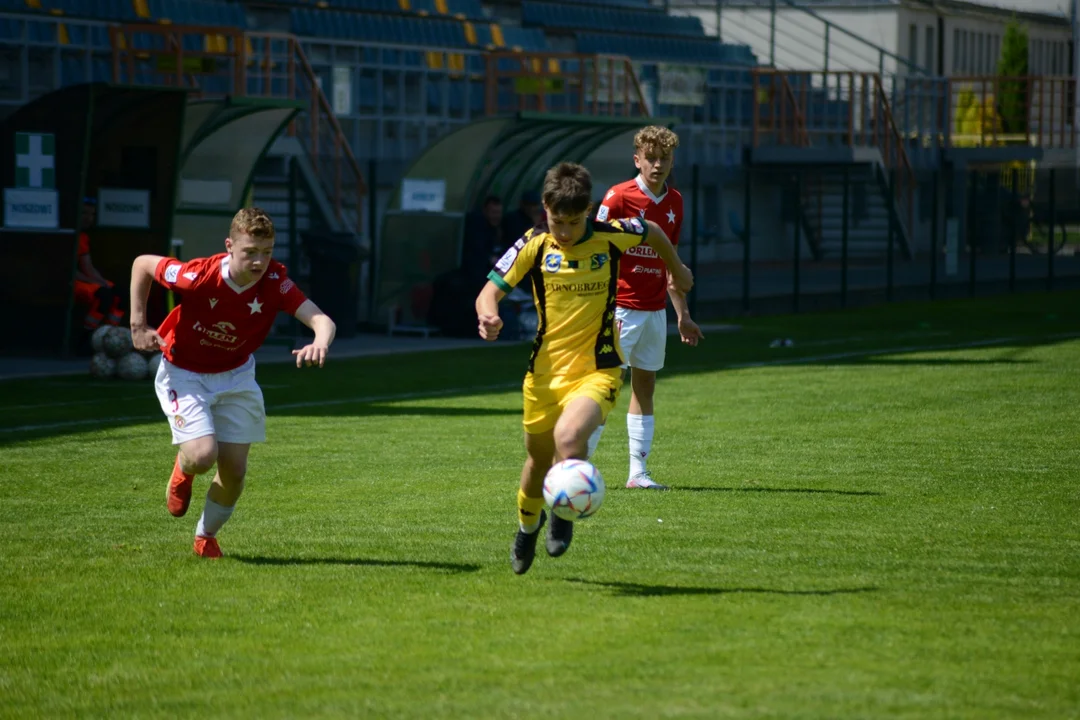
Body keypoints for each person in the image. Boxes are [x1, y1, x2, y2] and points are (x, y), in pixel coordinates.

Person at [475, 162, 693, 575]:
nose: (565, 232)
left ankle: (563, 513)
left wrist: (677, 270)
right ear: (545, 209)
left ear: (588, 211)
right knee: (538, 462)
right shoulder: (533, 244)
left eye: (574, 223)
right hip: (543, 375)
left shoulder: (612, 235)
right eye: (558, 222)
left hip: (599, 368)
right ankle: (527, 529)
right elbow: (488, 293)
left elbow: (656, 233)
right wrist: (489, 317)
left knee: (570, 437)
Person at [128, 207, 336, 559]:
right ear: (229, 246)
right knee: (203, 455)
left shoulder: (275, 282)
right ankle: (185, 467)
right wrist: (137, 325)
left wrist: (319, 341)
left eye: (267, 252)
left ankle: (205, 536)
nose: (259, 262)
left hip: (237, 375)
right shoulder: (197, 276)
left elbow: (321, 319)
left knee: (235, 471)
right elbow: (142, 263)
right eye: (250, 253)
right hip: (185, 372)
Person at [587, 126, 705, 490]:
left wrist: (682, 316)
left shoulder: (676, 203)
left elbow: (672, 266)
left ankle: (637, 474)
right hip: (619, 309)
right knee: (606, 387)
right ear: (636, 159)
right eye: (650, 158)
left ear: (672, 161)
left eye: (664, 159)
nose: (657, 165)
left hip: (655, 311)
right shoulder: (617, 197)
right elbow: (594, 251)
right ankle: (577, 466)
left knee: (646, 386)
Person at [73, 196, 124, 332]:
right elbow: (67, 270)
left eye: (92, 214)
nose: (88, 218)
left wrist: (100, 281)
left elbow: (87, 267)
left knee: (119, 293)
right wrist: (93, 281)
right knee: (103, 295)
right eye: (84, 213)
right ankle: (86, 335)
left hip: (83, 280)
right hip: (69, 282)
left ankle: (110, 333)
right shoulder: (68, 235)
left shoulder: (83, 237)